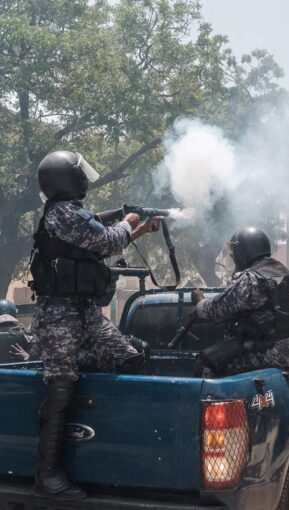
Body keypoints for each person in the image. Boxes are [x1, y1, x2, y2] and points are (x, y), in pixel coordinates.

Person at [30, 150, 161, 501]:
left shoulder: (70, 214)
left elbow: (95, 230)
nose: (84, 178)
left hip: (84, 312)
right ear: (67, 179)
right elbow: (105, 241)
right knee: (60, 387)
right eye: (79, 173)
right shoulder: (61, 214)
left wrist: (132, 224)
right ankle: (47, 475)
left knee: (131, 358)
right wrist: (128, 221)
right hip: (59, 314)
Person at [191, 227, 289, 377]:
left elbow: (216, 309)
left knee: (206, 362)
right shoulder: (285, 274)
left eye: (234, 252)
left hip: (275, 351)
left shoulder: (250, 279)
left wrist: (199, 302)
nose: (233, 257)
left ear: (242, 252)